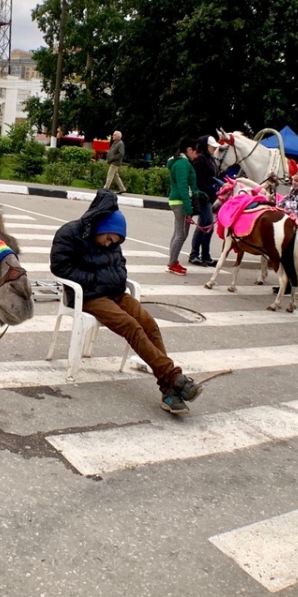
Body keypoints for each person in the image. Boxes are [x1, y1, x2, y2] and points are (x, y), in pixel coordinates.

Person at [50, 190, 203, 415]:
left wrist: (114, 277)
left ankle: (169, 391)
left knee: (148, 323)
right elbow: (61, 268)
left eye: (116, 242)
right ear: (101, 228)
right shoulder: (69, 234)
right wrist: (96, 279)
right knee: (130, 325)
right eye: (109, 238)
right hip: (88, 296)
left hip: (115, 293)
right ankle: (173, 377)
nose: (109, 244)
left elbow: (121, 267)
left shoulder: (113, 243)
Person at [165, 139, 199, 275]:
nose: (197, 154)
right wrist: (188, 207)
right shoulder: (182, 164)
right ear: (190, 149)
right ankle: (172, 263)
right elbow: (183, 186)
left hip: (177, 200)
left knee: (177, 233)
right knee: (181, 234)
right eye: (197, 150)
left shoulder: (179, 162)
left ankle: (173, 261)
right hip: (180, 201)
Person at [189, 135, 219, 267]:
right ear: (206, 146)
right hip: (203, 197)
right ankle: (201, 255)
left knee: (204, 225)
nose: (214, 148)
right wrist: (206, 192)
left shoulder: (210, 159)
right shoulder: (200, 159)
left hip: (211, 196)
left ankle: (197, 254)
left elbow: (213, 177)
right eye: (212, 146)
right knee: (207, 227)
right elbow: (199, 179)